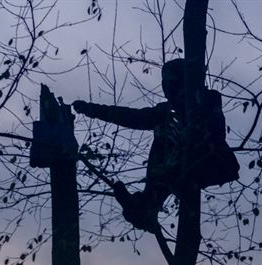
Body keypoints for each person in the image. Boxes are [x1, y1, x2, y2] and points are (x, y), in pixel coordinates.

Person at [73, 59, 240, 235]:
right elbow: (133, 117)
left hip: (211, 161)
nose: (169, 89)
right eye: (166, 84)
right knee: (163, 127)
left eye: (172, 83)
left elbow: (216, 130)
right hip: (179, 171)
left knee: (168, 129)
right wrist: (92, 109)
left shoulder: (208, 99)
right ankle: (147, 205)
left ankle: (149, 202)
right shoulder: (167, 112)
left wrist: (190, 128)